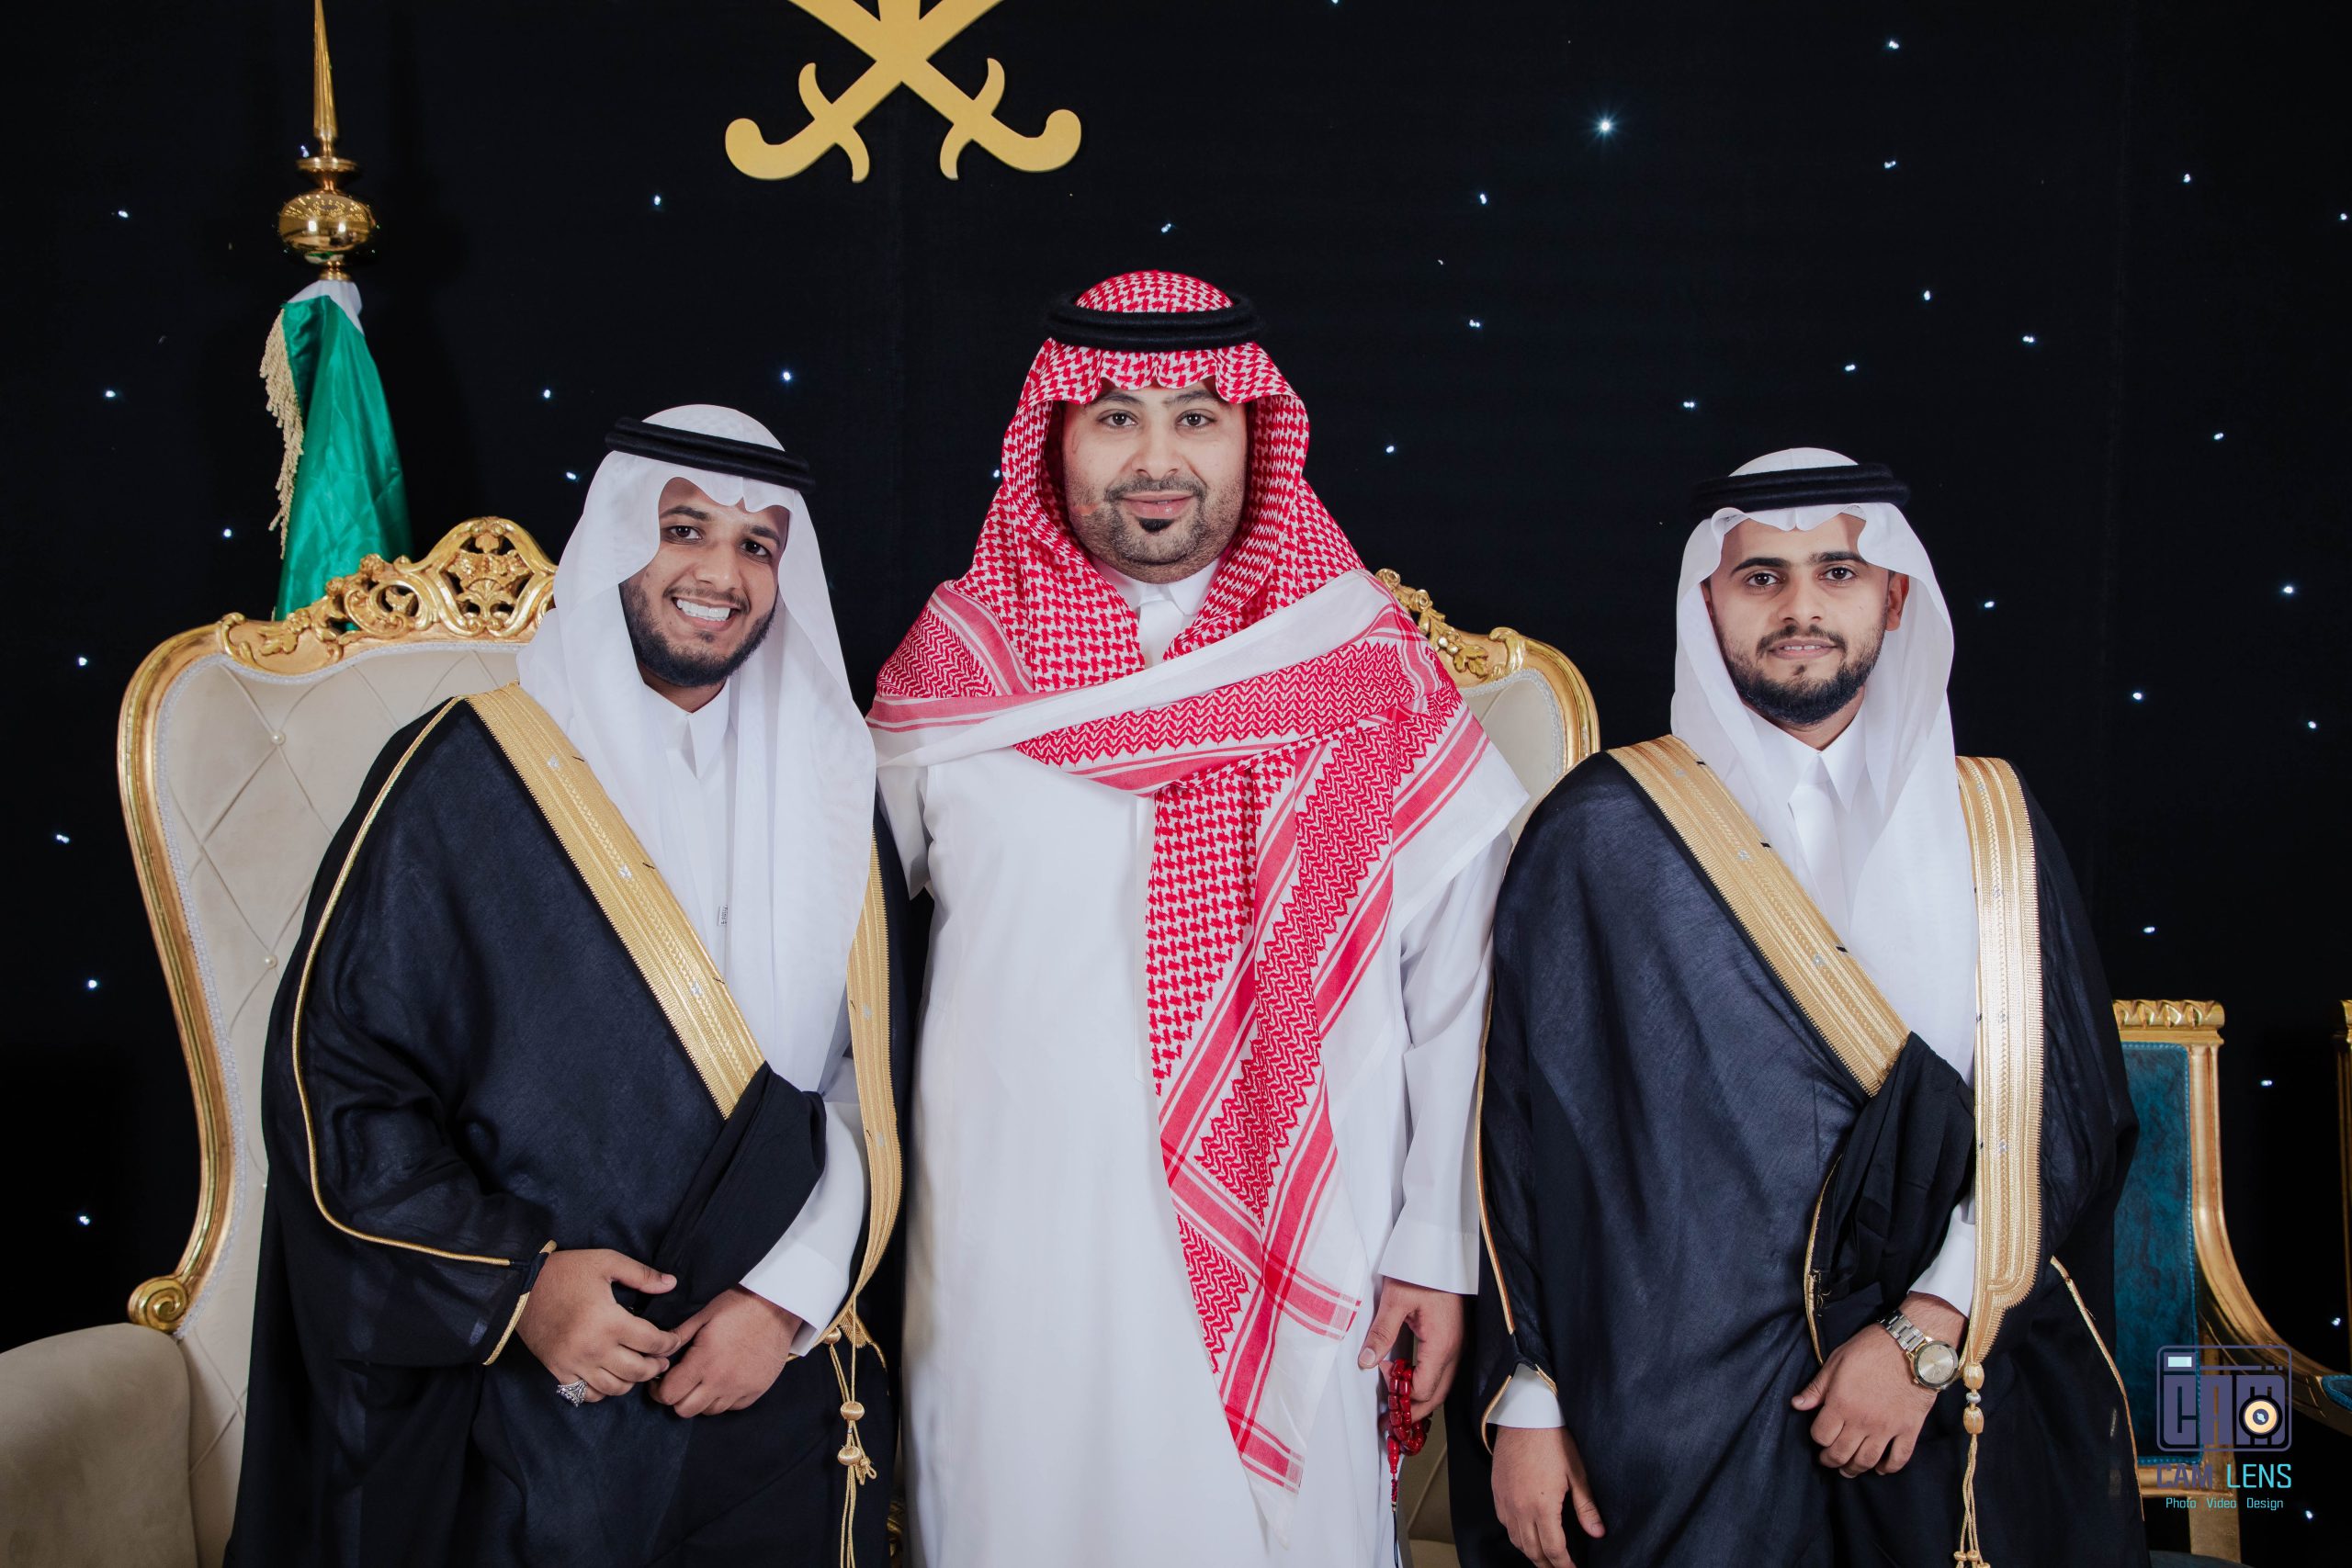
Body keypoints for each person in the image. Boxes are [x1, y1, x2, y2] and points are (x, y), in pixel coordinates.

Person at [869, 271, 1526, 1566]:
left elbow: (1458, 990)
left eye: (1198, 417)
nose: (1157, 460)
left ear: (1255, 437)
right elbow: (854, 970)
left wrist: (1434, 1246)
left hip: (1305, 1228)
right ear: (1054, 438)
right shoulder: (952, 672)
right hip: (1014, 1251)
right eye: (1115, 417)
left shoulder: (1365, 670)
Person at [228, 406, 910, 1567]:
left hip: (761, 1369)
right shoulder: (462, 769)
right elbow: (340, 1082)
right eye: (685, 528)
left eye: (757, 544)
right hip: (525, 1385)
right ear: (616, 541)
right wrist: (522, 1290)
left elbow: (869, 1089)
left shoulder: (837, 786)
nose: (721, 572)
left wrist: (787, 1300)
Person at [1454, 448, 2145, 1568]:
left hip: (1943, 1383)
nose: (1800, 608)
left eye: (1837, 571)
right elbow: (1522, 1130)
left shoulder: (1993, 822)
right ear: (1708, 602)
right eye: (1761, 577)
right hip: (1673, 1397)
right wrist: (1529, 1392)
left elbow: (2060, 1116)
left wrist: (1927, 1333)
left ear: (1894, 598)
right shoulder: (1603, 828)